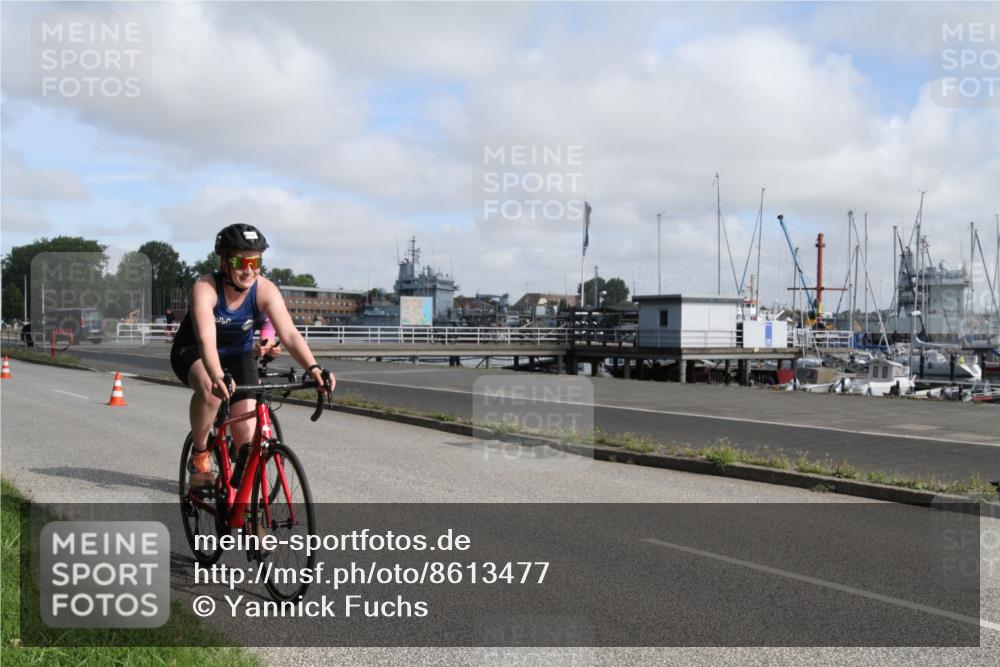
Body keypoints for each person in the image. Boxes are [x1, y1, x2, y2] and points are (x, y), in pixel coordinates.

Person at [170, 223, 334, 487]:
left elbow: (290, 334)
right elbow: (207, 339)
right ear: (224, 262)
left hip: (238, 355)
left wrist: (314, 368)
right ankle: (200, 453)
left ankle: (242, 507)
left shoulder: (265, 289)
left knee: (246, 437)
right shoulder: (206, 287)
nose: (248, 270)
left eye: (255, 261)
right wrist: (216, 374)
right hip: (195, 351)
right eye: (239, 261)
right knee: (211, 391)